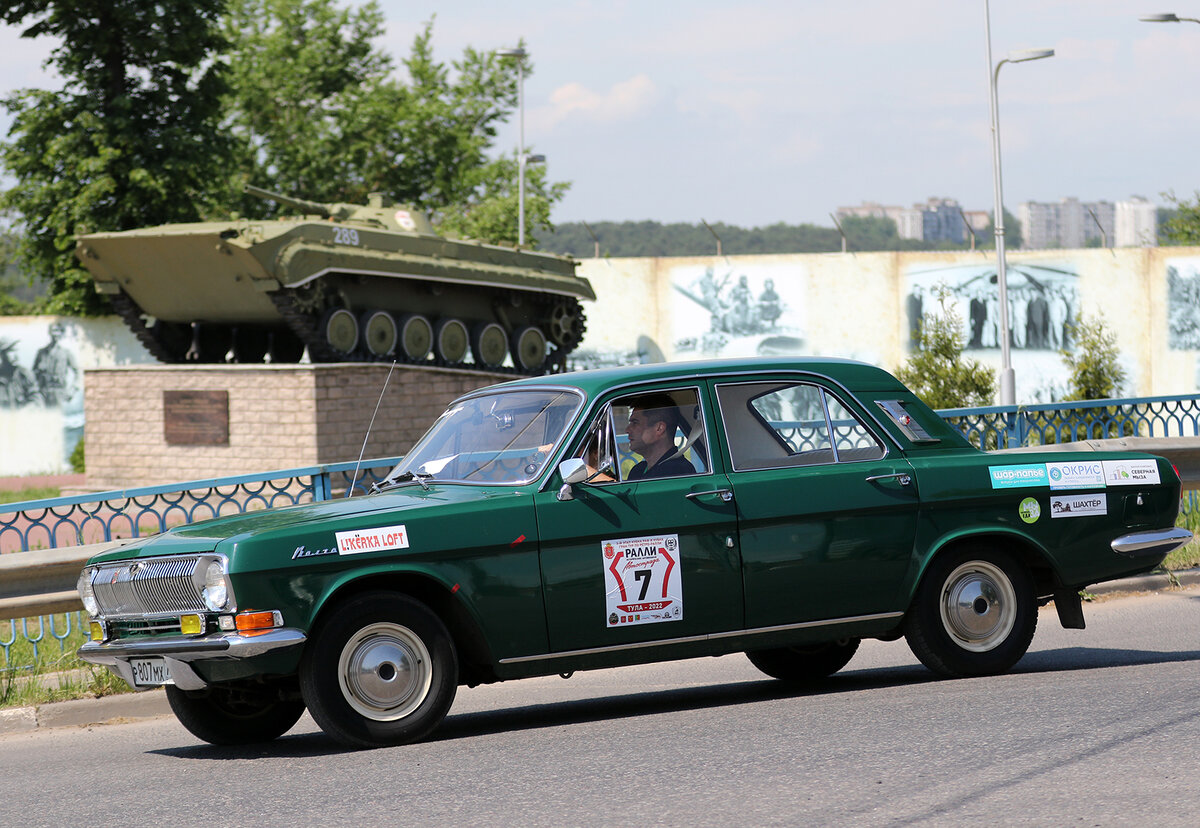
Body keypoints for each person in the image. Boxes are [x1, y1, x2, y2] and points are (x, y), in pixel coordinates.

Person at [624, 394, 696, 480]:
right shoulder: (638, 470)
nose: (627, 429)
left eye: (635, 422)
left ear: (659, 428)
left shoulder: (677, 472)